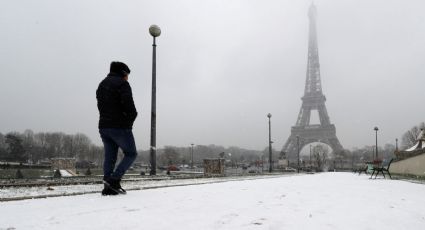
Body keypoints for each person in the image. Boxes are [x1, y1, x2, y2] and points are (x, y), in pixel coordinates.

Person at [96, 61, 138, 195]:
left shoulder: (102, 84)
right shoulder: (122, 84)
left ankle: (108, 185)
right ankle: (114, 180)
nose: (127, 78)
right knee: (131, 153)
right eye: (127, 75)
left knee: (110, 156)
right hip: (119, 126)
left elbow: (100, 106)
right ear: (123, 73)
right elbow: (130, 107)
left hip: (104, 126)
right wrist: (128, 122)